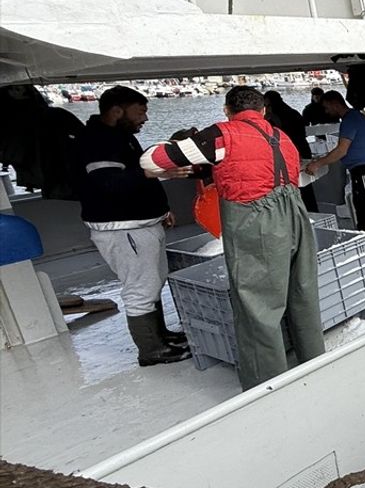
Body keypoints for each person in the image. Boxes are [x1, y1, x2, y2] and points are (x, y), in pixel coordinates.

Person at [142, 86, 324, 391]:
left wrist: (175, 166)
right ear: (264, 110)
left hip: (257, 222)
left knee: (258, 306)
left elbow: (152, 161)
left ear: (227, 110)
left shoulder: (221, 136)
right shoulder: (282, 137)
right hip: (296, 218)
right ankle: (315, 363)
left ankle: (268, 386)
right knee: (302, 295)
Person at [77, 86, 191, 366]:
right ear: (117, 111)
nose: (146, 118)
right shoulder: (97, 141)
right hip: (123, 228)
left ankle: (161, 335)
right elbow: (109, 182)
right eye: (140, 111)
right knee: (140, 288)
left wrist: (162, 210)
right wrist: (153, 172)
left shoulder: (121, 137)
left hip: (143, 223)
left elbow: (136, 177)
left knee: (153, 280)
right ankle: (151, 349)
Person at [305, 92, 365, 250]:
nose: (326, 112)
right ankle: (360, 236)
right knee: (360, 204)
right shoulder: (353, 118)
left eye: (326, 107)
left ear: (334, 104)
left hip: (364, 167)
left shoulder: (351, 120)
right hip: (358, 167)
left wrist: (318, 163)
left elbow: (341, 150)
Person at [265, 91, 318, 213]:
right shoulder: (293, 112)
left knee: (292, 186)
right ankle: (312, 211)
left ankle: (299, 213)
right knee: (306, 186)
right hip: (303, 149)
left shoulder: (275, 117)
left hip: (289, 154)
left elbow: (277, 136)